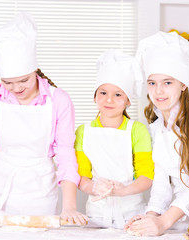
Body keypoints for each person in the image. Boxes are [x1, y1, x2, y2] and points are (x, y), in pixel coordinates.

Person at [0, 12, 87, 225]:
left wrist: (69, 207)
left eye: (24, 80)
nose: (16, 89)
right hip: (1, 188)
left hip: (41, 190)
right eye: (8, 83)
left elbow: (65, 153)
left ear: (35, 71)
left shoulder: (59, 100)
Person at [124, 31, 189, 236]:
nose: (158, 92)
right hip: (179, 221)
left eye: (167, 82)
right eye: (152, 83)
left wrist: (163, 221)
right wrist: (152, 215)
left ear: (183, 85)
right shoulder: (156, 126)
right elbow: (162, 183)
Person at [75, 49, 154, 229]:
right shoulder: (83, 132)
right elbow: (81, 176)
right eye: (103, 93)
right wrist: (94, 188)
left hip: (132, 216)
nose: (109, 100)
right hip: (95, 216)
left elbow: (146, 176)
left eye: (118, 94)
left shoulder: (137, 130)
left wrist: (122, 191)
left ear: (127, 101)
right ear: (95, 96)